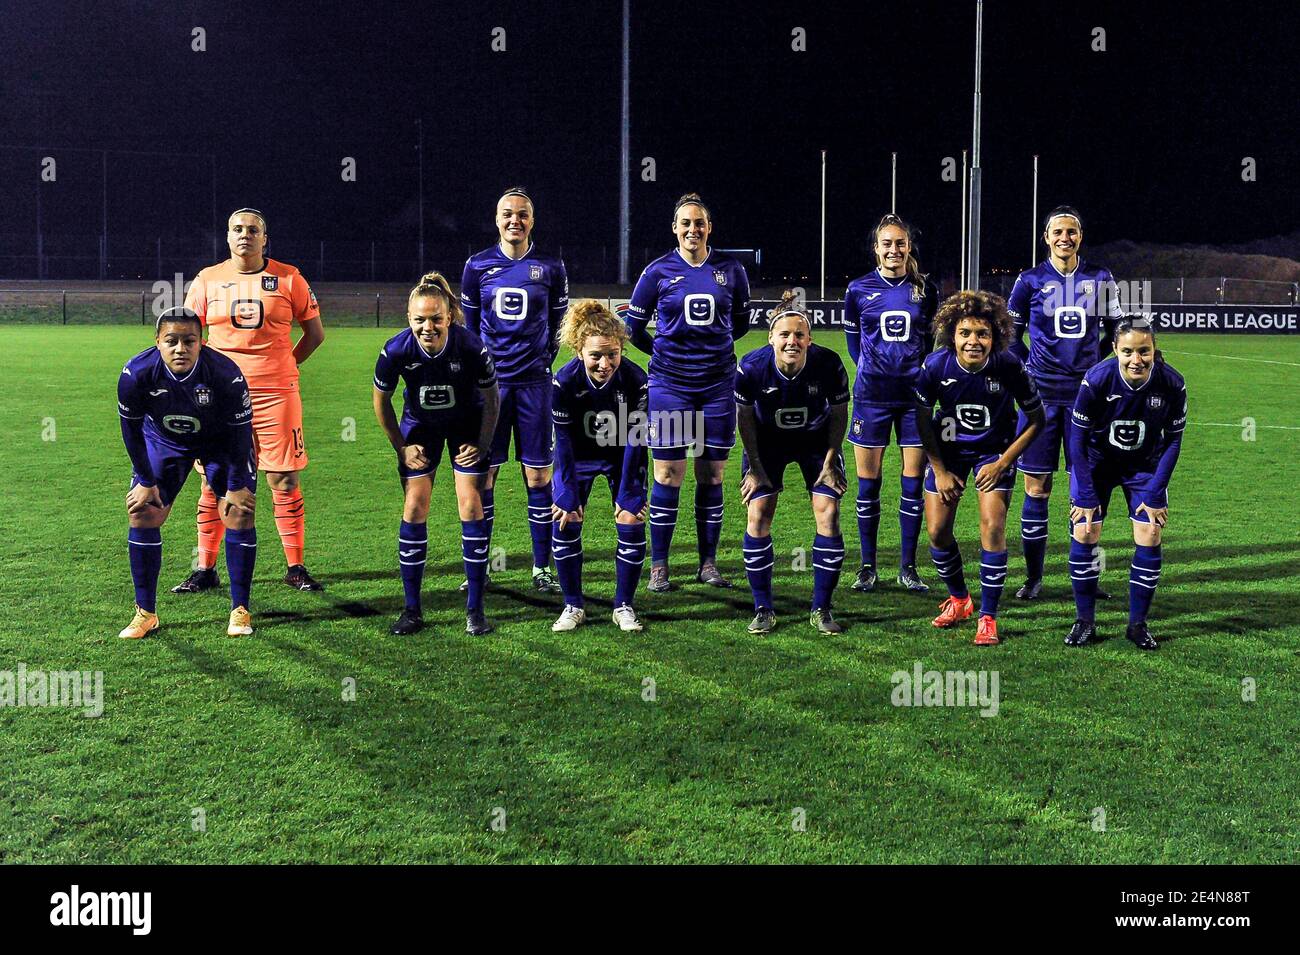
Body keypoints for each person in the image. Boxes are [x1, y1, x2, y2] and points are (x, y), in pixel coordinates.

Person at [172, 208, 326, 594]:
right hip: (221, 400)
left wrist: (284, 366)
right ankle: (205, 569)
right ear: (227, 237)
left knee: (283, 478)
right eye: (238, 229)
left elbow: (315, 334)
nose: (245, 235)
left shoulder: (290, 278)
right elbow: (191, 337)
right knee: (212, 481)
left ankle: (295, 567)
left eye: (253, 230)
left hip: (277, 395)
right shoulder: (207, 280)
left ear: (264, 237)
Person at [626, 192, 752, 592]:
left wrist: (715, 352)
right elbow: (633, 328)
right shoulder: (657, 272)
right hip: (670, 385)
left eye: (699, 223)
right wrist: (662, 354)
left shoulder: (731, 270)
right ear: (675, 229)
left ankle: (708, 564)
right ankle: (660, 566)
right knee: (667, 472)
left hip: (717, 386)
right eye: (686, 223)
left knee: (712, 475)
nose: (693, 229)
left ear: (708, 228)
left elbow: (741, 323)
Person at [117, 307, 258, 639]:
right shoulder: (135, 374)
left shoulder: (226, 374)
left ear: (201, 343)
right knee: (143, 512)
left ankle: (240, 611)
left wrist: (237, 484)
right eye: (171, 341)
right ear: (157, 342)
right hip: (164, 441)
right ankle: (145, 613)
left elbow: (241, 432)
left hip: (221, 441)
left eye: (188, 341)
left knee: (239, 512)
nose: (180, 348)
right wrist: (145, 480)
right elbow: (131, 432)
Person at [914, 291, 1045, 646]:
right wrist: (940, 470)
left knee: (993, 527)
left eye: (982, 333)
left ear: (995, 336)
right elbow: (923, 421)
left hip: (994, 453)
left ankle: (988, 616)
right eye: (965, 333)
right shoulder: (935, 366)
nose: (974, 341)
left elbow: (1037, 419)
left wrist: (1004, 462)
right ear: (951, 334)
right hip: (949, 453)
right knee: (938, 532)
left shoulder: (1009, 366)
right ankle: (960, 600)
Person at [373, 272, 501, 636]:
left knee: (471, 504)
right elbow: (380, 401)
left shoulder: (471, 346)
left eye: (435, 319)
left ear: (449, 317)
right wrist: (401, 446)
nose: (428, 327)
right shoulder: (395, 349)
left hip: (466, 425)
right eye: (419, 320)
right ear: (409, 319)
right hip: (421, 428)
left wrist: (482, 443)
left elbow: (492, 398)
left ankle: (475, 610)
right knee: (415, 505)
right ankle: (412, 610)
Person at [1007, 206, 1124, 600]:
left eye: (1072, 232)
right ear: (1046, 237)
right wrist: (1031, 369)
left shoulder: (1100, 278)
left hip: (1086, 400)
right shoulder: (1029, 281)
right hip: (1040, 400)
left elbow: (1116, 331)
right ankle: (1034, 578)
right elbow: (1010, 336)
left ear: (1080, 237)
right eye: (1058, 231)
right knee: (1037, 486)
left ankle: (1087, 581)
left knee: (1086, 486)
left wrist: (1094, 370)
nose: (1065, 238)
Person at [460, 187, 569, 594]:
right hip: (490, 390)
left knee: (538, 476)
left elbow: (559, 324)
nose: (515, 221)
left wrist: (542, 360)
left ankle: (542, 568)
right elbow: (470, 330)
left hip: (534, 386)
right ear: (496, 218)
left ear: (532, 220)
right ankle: (481, 567)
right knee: (484, 475)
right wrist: (481, 374)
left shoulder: (551, 266)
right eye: (507, 213)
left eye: (522, 214)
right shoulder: (477, 266)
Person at [1064, 317, 1186, 650]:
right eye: (1129, 351)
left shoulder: (1172, 383)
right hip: (1096, 464)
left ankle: (1137, 625)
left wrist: (1157, 491)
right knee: (1085, 530)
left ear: (1154, 349)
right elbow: (1076, 439)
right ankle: (1085, 621)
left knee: (1150, 531)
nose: (1137, 359)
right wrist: (1086, 494)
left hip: (1143, 466)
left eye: (1144, 351)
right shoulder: (1097, 380)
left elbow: (1173, 441)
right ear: (1115, 349)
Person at [736, 292, 850, 634]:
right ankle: (762, 608)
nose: (792, 341)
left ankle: (822, 608)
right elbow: (744, 420)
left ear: (809, 340)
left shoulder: (828, 364)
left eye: (799, 335)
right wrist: (755, 467)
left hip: (816, 442)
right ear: (771, 338)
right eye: (784, 335)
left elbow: (840, 415)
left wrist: (831, 461)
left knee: (828, 511)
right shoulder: (751, 368)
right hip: (767, 443)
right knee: (759, 514)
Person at [843, 213, 938, 594]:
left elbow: (932, 343)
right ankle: (867, 567)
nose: (894, 249)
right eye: (887, 243)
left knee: (911, 485)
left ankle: (908, 567)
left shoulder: (924, 290)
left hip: (914, 400)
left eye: (900, 243)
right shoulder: (858, 289)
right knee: (869, 486)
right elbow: (853, 342)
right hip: (871, 397)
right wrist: (869, 368)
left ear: (908, 247)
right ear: (876, 249)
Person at [548, 301, 651, 633]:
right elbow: (562, 442)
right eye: (596, 356)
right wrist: (565, 493)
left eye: (613, 354)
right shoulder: (564, 383)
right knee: (566, 519)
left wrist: (631, 493)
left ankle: (623, 605)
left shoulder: (636, 379)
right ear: (579, 351)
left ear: (621, 348)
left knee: (631, 517)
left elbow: (637, 439)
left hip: (622, 455)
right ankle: (573, 605)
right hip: (577, 456)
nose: (605, 363)